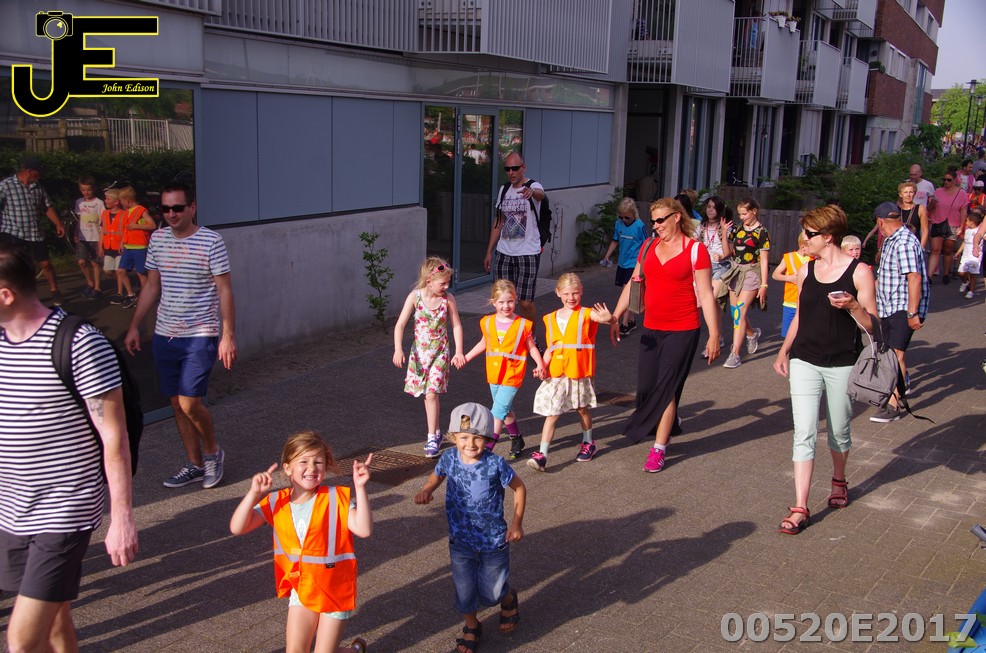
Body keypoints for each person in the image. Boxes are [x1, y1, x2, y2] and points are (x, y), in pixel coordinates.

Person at [0, 241, 138, 652]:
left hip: (64, 509)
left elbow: (114, 437)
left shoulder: (79, 343)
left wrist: (122, 518)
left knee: (21, 641)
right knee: (57, 622)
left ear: (5, 295)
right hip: (12, 509)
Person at [772, 205, 877, 535]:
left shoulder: (859, 272)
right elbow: (800, 316)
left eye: (809, 234)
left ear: (828, 237)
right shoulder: (806, 269)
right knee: (803, 432)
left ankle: (839, 480)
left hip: (842, 363)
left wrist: (854, 305)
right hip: (804, 359)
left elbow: (872, 326)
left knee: (838, 431)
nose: (804, 239)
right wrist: (784, 351)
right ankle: (800, 506)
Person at [124, 182, 237, 489]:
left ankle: (213, 453)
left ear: (192, 207)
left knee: (189, 403)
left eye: (177, 208)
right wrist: (135, 325)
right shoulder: (158, 240)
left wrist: (227, 335)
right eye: (165, 208)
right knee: (176, 404)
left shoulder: (211, 241)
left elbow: (225, 290)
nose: (171, 214)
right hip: (165, 335)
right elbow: (152, 286)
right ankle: (195, 464)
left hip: (200, 334)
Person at [229, 430, 372, 653]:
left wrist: (360, 488)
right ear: (287, 468)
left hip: (335, 590)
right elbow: (238, 527)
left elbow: (363, 529)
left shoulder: (336, 497)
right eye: (303, 461)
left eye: (318, 462)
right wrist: (253, 494)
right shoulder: (276, 501)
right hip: (303, 589)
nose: (312, 468)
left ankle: (354, 651)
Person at [607, 197, 721, 472]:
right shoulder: (648, 246)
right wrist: (615, 317)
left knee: (665, 387)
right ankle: (670, 421)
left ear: (676, 217)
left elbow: (707, 294)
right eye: (653, 221)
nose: (656, 225)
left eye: (661, 220)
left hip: (683, 329)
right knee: (646, 387)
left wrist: (714, 334)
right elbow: (633, 283)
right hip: (652, 328)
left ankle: (659, 448)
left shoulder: (695, 250)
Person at [415, 403, 526, 653]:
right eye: (464, 437)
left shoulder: (495, 464)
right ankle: (472, 626)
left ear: (487, 438)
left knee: (492, 593)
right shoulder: (448, 457)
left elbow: (519, 487)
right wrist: (427, 489)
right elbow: (437, 474)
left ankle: (507, 597)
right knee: (464, 590)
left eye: (478, 438)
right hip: (460, 541)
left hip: (493, 541)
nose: (471, 444)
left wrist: (517, 523)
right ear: (454, 437)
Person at [527, 273, 611, 470]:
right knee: (552, 412)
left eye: (575, 293)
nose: (571, 298)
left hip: (578, 371)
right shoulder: (550, 318)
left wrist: (611, 319)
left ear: (581, 292)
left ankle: (588, 442)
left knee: (582, 409)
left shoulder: (587, 313)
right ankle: (542, 455)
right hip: (557, 373)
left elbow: (604, 319)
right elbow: (551, 348)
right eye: (566, 293)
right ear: (558, 293)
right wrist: (542, 366)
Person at [460, 280, 546, 460]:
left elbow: (531, 347)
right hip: (494, 373)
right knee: (505, 409)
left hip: (513, 374)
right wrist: (466, 357)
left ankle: (486, 450)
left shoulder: (523, 324)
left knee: (497, 413)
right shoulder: (487, 322)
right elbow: (484, 343)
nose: (506, 306)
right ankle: (517, 438)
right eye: (501, 302)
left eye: (510, 301)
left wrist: (540, 364)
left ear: (515, 300)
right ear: (493, 302)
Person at [393, 257, 466, 458]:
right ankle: (436, 432)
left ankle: (432, 436)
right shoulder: (414, 297)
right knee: (426, 394)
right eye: (443, 283)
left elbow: (456, 325)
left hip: (440, 353)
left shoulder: (448, 300)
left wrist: (459, 351)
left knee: (432, 393)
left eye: (448, 283)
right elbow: (400, 325)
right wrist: (398, 349)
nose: (446, 287)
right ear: (429, 282)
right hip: (420, 354)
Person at [871, 201, 929, 423]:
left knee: (896, 356)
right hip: (888, 305)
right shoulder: (891, 240)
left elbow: (914, 277)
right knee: (889, 354)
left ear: (880, 222)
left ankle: (893, 405)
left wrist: (912, 313)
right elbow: (885, 275)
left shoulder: (903, 242)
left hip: (902, 307)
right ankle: (898, 390)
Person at [484, 151, 544, 327]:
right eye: (507, 169)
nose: (511, 172)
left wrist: (532, 192)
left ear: (523, 168)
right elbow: (499, 221)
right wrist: (489, 251)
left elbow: (540, 195)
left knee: (525, 303)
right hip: (504, 252)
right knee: (502, 300)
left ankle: (530, 337)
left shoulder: (533, 186)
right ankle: (506, 335)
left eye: (515, 168)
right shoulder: (504, 190)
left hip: (528, 252)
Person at [0, 156, 66, 305]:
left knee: (45, 263)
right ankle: (21, 295)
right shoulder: (6, 185)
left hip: (35, 233)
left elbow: (47, 206)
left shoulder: (38, 187)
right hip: (13, 233)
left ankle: (55, 290)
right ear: (30, 171)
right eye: (39, 172)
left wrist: (58, 224)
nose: (40, 175)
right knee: (17, 266)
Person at [720, 197, 770, 369]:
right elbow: (728, 252)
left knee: (739, 313)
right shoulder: (737, 229)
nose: (742, 217)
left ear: (754, 211)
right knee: (736, 313)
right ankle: (752, 333)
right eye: (740, 214)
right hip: (736, 272)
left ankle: (735, 354)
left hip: (751, 273)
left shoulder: (762, 232)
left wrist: (764, 285)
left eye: (744, 214)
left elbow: (764, 261)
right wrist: (724, 234)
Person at [600, 197, 648, 335]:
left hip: (634, 263)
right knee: (627, 291)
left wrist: (645, 262)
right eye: (621, 217)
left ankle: (625, 323)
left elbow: (646, 244)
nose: (624, 220)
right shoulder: (619, 224)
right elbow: (615, 240)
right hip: (622, 262)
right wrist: (607, 255)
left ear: (633, 213)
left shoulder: (639, 226)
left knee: (628, 291)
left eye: (627, 217)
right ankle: (631, 321)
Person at [863, 182, 928, 264]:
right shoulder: (895, 209)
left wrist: (921, 248)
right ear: (901, 194)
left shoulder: (920, 209)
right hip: (896, 245)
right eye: (905, 192)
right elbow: (887, 231)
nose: (908, 195)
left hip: (913, 244)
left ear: (914, 193)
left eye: (911, 192)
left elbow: (925, 230)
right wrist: (880, 249)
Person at [116, 186, 155, 309]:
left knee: (141, 274)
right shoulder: (127, 212)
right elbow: (126, 229)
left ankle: (146, 297)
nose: (121, 203)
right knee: (121, 271)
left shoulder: (141, 210)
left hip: (139, 247)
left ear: (128, 200)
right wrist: (122, 242)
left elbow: (152, 225)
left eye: (122, 200)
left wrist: (137, 226)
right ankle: (130, 294)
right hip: (128, 246)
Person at [927, 170, 967, 286]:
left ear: (954, 180)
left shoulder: (961, 194)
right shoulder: (938, 192)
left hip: (952, 225)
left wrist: (961, 226)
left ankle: (946, 274)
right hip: (937, 223)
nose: (946, 182)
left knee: (948, 251)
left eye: (949, 180)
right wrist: (932, 204)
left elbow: (963, 211)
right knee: (935, 250)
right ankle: (929, 277)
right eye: (944, 180)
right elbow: (929, 208)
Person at [772, 231, 811, 339]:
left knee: (804, 334)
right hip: (790, 303)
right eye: (810, 246)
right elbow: (775, 275)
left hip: (807, 304)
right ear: (803, 247)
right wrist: (789, 278)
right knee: (788, 334)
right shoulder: (789, 257)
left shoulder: (814, 258)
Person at [73, 176, 105, 299]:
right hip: (83, 237)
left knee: (95, 263)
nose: (86, 192)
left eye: (88, 190)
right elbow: (79, 219)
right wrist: (76, 232)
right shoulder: (79, 202)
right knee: (81, 261)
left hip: (95, 237)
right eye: (83, 190)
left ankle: (97, 287)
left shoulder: (99, 203)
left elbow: (103, 221)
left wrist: (102, 237)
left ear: (93, 189)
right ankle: (90, 282)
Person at [99, 188, 127, 304]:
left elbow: (126, 231)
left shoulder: (124, 214)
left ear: (116, 202)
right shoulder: (105, 214)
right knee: (107, 270)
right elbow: (102, 231)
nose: (105, 201)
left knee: (118, 270)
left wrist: (123, 243)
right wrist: (100, 246)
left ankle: (120, 292)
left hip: (119, 247)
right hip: (108, 246)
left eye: (108, 199)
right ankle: (124, 280)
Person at [956, 209, 984, 299]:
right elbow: (965, 242)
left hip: (975, 256)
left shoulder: (979, 231)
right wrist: (958, 252)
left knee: (973, 275)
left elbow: (982, 235)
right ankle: (965, 282)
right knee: (961, 272)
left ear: (972, 222)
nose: (966, 222)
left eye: (967, 221)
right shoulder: (967, 231)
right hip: (965, 256)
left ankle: (971, 291)